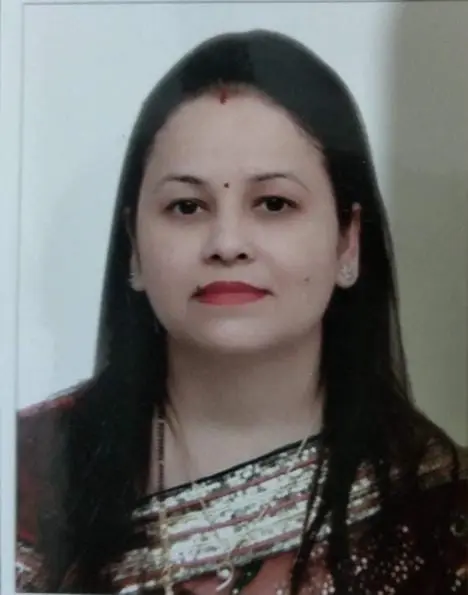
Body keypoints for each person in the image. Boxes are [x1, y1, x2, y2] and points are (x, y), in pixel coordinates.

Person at [16, 29, 467, 594]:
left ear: (348, 243)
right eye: (187, 206)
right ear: (133, 246)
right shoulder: (27, 476)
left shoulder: (440, 518)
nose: (227, 243)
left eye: (274, 204)